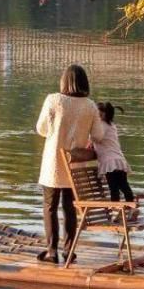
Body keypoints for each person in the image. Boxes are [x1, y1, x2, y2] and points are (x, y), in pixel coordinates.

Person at [35, 63, 108, 264]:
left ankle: (51, 252)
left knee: (50, 206)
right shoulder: (90, 106)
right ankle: (69, 250)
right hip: (75, 166)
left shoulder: (53, 100)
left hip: (53, 163)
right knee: (69, 207)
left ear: (64, 81)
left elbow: (41, 129)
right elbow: (99, 135)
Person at [93, 102, 134, 205]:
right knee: (124, 186)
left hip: (110, 161)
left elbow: (96, 138)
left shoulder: (102, 125)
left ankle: (115, 209)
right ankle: (131, 207)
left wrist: (89, 139)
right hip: (118, 159)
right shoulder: (111, 125)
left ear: (102, 114)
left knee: (114, 188)